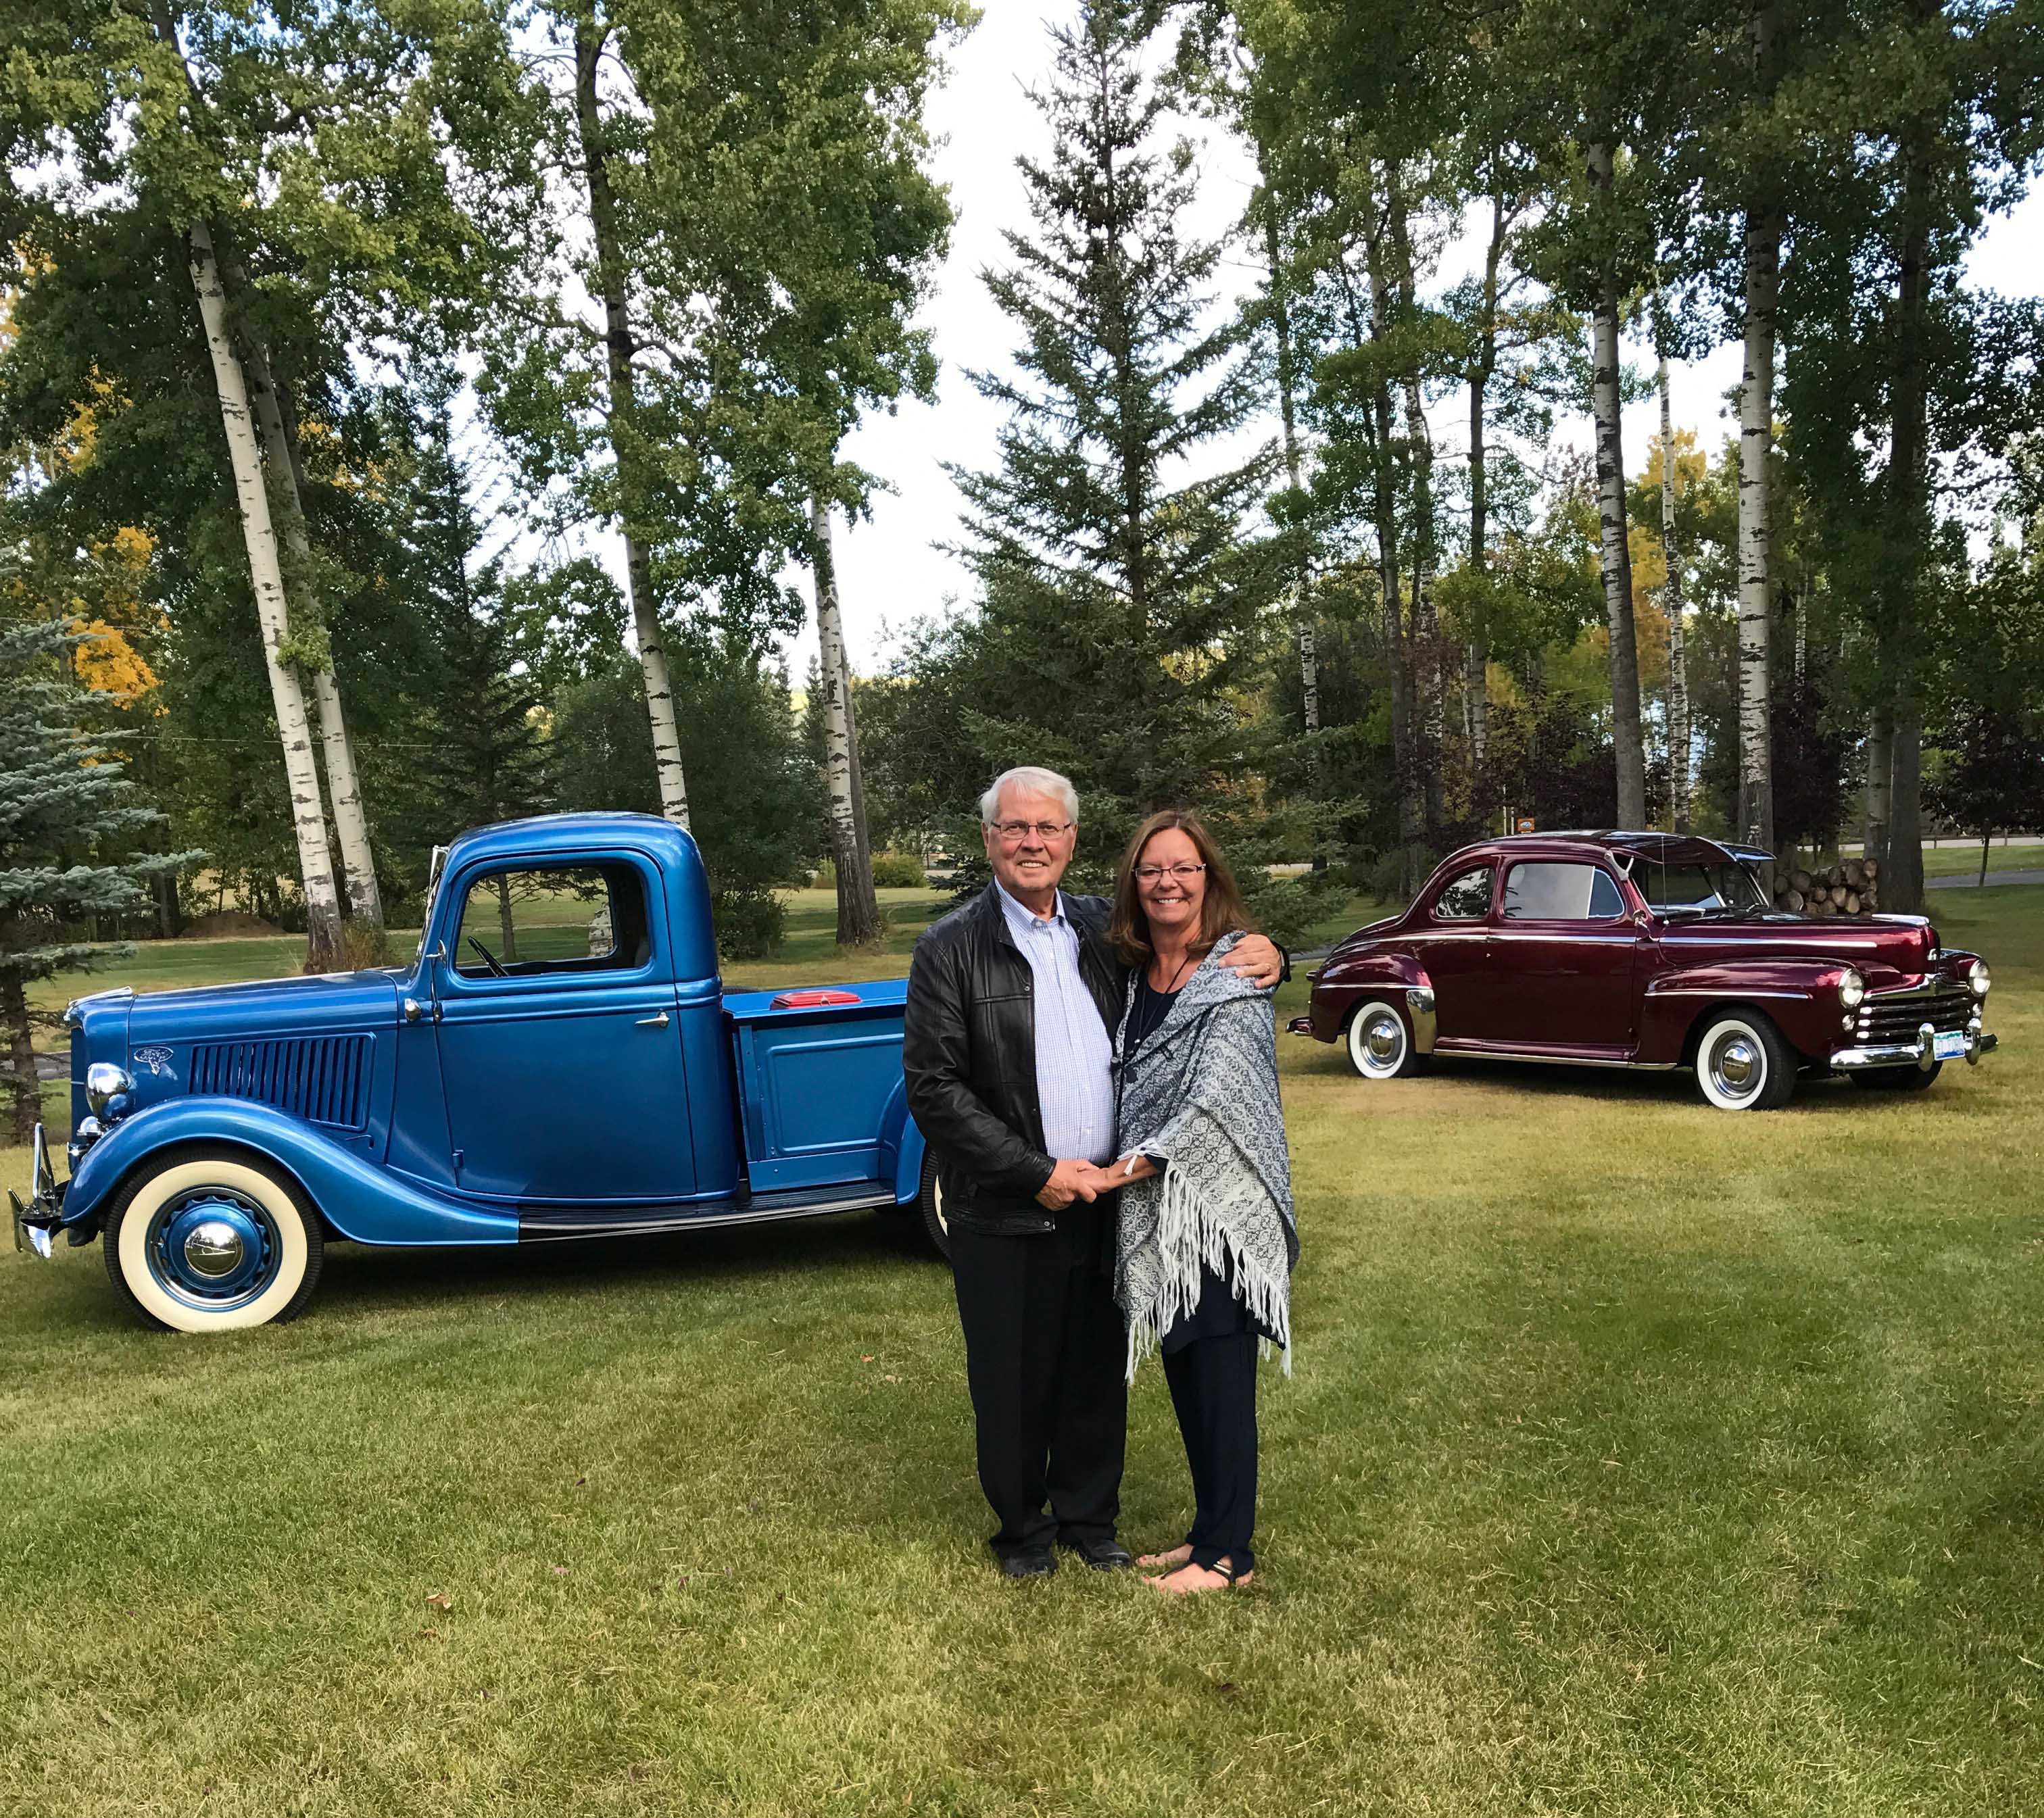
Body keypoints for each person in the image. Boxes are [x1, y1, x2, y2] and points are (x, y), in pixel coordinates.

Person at [901, 768, 1286, 1579]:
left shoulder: (1099, 932)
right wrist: (1034, 1170)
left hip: (1107, 1200)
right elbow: (934, 1089)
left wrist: (1273, 953)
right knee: (1011, 1376)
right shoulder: (949, 947)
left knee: (1092, 1373)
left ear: (1072, 841)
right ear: (989, 839)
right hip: (1010, 1204)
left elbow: (1194, 971)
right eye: (1015, 827)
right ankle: (1023, 1532)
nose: (1031, 841)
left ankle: (1089, 1518)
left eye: (1048, 827)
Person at [1104, 810, 1297, 1595]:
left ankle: (1229, 1556)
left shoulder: (1234, 972)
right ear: (1135, 882)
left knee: (1220, 1381)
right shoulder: (1133, 976)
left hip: (1219, 1205)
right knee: (1187, 1367)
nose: (1168, 883)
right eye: (1152, 869)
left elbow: (1218, 1101)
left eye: (1184, 867)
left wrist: (1122, 1170)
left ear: (1208, 878)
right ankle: (1207, 1530)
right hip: (1164, 1207)